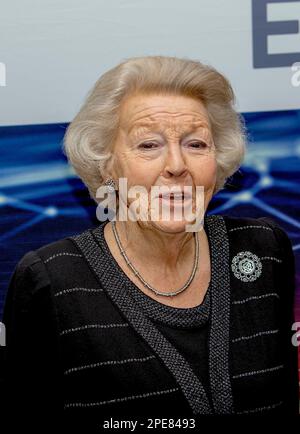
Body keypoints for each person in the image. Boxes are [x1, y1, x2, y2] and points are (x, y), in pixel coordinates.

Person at [1, 56, 298, 429]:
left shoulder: (264, 250)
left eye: (196, 144)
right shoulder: (51, 280)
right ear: (107, 165)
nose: (176, 164)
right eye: (148, 145)